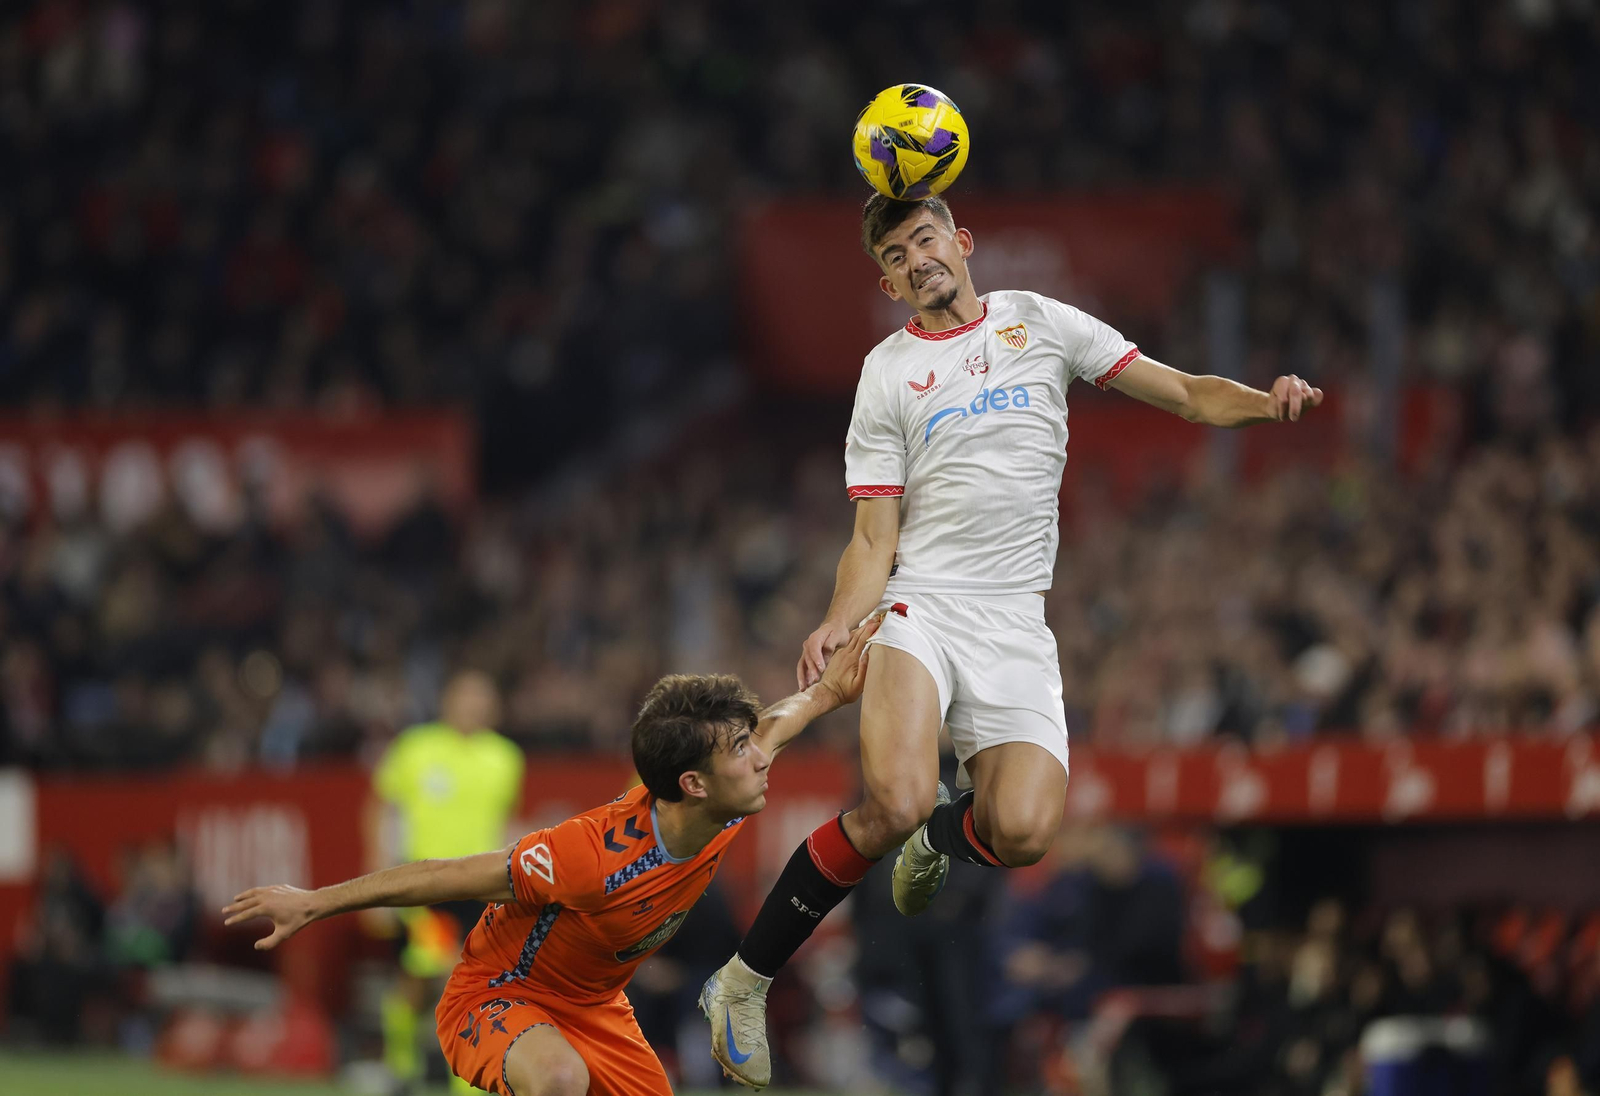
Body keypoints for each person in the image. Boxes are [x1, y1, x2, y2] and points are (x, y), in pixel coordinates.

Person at [701, 193, 1324, 1089]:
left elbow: (1186, 394)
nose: (917, 259)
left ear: (961, 242)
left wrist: (1268, 404)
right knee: (896, 798)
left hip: (1017, 620)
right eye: (897, 254)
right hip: (922, 604)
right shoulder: (887, 372)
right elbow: (874, 538)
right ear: (885, 280)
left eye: (926, 239)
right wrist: (840, 619)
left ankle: (941, 842)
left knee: (1025, 829)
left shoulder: (1041, 320)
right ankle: (743, 980)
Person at [223, 616, 882, 1096]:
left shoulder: (722, 799)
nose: (762, 757)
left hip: (598, 1007)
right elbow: (443, 874)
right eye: (741, 749)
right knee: (560, 1080)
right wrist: (316, 901)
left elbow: (779, 723)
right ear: (693, 784)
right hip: (498, 994)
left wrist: (828, 693)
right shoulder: (587, 856)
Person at [368, 669, 522, 1093]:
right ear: (447, 701)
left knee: (470, 979)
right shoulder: (415, 748)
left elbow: (503, 823)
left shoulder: (506, 758)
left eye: (482, 698)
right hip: (425, 884)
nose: (474, 705)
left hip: (479, 886)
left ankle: (463, 1077)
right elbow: (381, 808)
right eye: (466, 696)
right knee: (420, 976)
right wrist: (378, 876)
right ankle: (401, 1065)